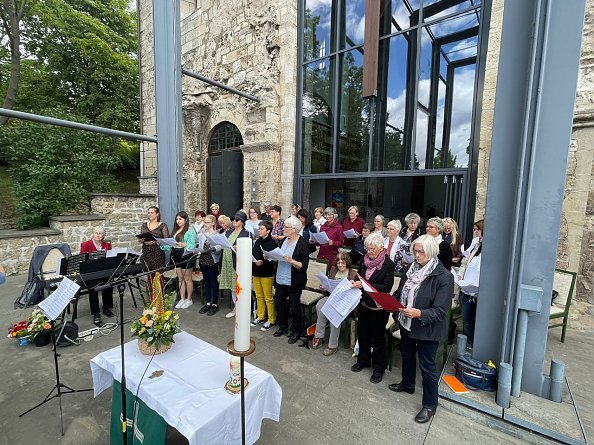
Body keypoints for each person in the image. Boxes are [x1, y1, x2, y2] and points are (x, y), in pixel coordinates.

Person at [389, 234, 454, 424]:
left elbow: (441, 311)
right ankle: (408, 384)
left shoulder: (444, 276)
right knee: (407, 354)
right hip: (406, 322)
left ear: (432, 252)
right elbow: (401, 291)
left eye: (421, 252)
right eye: (415, 251)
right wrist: (391, 301)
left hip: (427, 328)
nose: (416, 255)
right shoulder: (411, 268)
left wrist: (419, 313)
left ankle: (429, 405)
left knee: (427, 367)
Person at [350, 232, 395, 384]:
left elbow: (386, 288)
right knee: (362, 334)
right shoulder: (365, 259)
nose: (369, 252)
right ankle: (363, 360)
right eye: (367, 248)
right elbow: (359, 277)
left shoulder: (388, 264)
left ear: (381, 248)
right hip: (364, 303)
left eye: (372, 249)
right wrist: (355, 282)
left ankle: (378, 368)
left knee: (377, 339)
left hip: (378, 308)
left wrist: (365, 285)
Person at [273, 216, 310, 343]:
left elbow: (303, 265)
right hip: (280, 278)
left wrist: (292, 261)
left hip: (293, 280)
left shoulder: (302, 243)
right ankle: (282, 326)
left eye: (286, 227)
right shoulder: (284, 240)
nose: (284, 229)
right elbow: (279, 254)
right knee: (279, 304)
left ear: (293, 230)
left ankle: (296, 330)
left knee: (295, 307)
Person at [312, 252, 357, 356]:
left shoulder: (353, 273)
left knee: (334, 314)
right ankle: (319, 335)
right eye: (338, 262)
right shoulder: (333, 270)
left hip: (345, 301)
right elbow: (328, 284)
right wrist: (323, 286)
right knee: (320, 305)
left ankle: (333, 345)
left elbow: (356, 293)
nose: (340, 265)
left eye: (343, 262)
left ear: (347, 262)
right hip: (332, 297)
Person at [219, 211, 251, 318]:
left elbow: (248, 249)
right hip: (227, 261)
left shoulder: (246, 233)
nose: (234, 221)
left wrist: (239, 248)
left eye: (236, 220)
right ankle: (235, 307)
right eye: (233, 219)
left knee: (238, 285)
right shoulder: (228, 232)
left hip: (237, 262)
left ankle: (239, 308)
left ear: (242, 222)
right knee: (232, 286)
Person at [456, 219, 484, 346]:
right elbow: (466, 261)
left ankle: (476, 347)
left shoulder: (490, 248)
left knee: (479, 321)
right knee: (467, 319)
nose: (475, 232)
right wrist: (460, 274)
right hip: (467, 288)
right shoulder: (475, 244)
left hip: (480, 291)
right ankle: (468, 344)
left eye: (476, 229)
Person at [161, 211, 196, 309]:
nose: (178, 221)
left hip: (185, 255)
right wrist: (162, 244)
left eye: (180, 219)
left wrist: (183, 244)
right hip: (176, 255)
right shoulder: (175, 230)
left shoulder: (190, 230)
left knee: (187, 279)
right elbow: (171, 245)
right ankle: (182, 298)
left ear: (185, 219)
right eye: (177, 219)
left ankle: (189, 299)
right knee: (180, 278)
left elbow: (192, 246)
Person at [80, 226, 114, 326]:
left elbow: (110, 259)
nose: (98, 235)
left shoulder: (107, 245)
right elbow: (82, 260)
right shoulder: (86, 244)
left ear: (104, 235)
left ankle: (106, 308)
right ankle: (96, 313)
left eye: (100, 233)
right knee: (93, 289)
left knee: (109, 284)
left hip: (104, 271)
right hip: (91, 273)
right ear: (93, 234)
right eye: (96, 233)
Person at [251, 220, 278, 331]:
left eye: (262, 229)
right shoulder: (257, 241)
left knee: (268, 297)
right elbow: (254, 253)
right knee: (259, 296)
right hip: (256, 272)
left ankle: (271, 319)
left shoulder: (272, 243)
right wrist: (255, 261)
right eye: (259, 228)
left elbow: (275, 259)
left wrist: (264, 261)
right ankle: (260, 316)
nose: (259, 230)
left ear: (268, 231)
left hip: (267, 273)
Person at [139, 206, 170, 294]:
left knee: (158, 276)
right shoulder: (144, 225)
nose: (149, 214)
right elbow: (142, 237)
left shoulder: (162, 225)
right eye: (148, 212)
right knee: (149, 276)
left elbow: (166, 241)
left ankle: (159, 299)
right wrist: (141, 240)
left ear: (157, 214)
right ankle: (151, 297)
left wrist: (153, 242)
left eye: (151, 212)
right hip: (146, 253)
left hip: (158, 254)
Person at [197, 215, 222, 316]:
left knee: (213, 282)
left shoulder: (217, 234)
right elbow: (199, 244)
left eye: (207, 222)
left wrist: (211, 246)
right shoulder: (202, 234)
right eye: (204, 222)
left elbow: (219, 248)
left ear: (213, 223)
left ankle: (215, 304)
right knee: (206, 282)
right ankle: (208, 303)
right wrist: (198, 249)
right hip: (203, 259)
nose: (205, 224)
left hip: (212, 260)